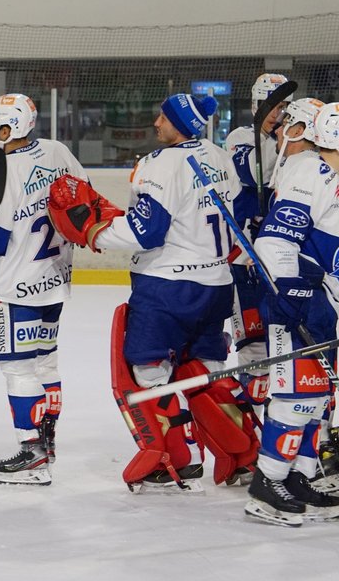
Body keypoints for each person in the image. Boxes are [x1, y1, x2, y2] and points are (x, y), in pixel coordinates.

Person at [49, 93, 255, 492]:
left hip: (166, 287)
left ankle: (175, 459)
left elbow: (146, 231)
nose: (156, 123)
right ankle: (242, 454)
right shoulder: (218, 155)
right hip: (216, 285)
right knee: (204, 370)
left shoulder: (159, 164)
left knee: (144, 372)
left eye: (163, 117)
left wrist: (96, 230)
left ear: (179, 124)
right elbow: (237, 217)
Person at [243, 99, 339, 526]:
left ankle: (297, 476)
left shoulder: (338, 180)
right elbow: (276, 240)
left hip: (322, 305)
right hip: (299, 300)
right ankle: (267, 482)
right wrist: (292, 292)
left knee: (314, 398)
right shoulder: (310, 172)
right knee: (295, 396)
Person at [0, 93, 85, 486]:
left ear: (8, 128)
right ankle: (47, 439)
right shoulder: (57, 151)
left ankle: (31, 450)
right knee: (46, 362)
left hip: (14, 286)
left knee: (18, 370)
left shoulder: (0, 172)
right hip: (54, 280)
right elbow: (83, 199)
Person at [220, 74, 293, 429]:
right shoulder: (239, 137)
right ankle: (249, 429)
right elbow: (254, 173)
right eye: (272, 106)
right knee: (252, 350)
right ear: (255, 106)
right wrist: (284, 142)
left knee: (281, 345)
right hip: (245, 262)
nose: (278, 114)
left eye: (283, 107)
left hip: (278, 261)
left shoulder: (291, 143)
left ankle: (280, 423)